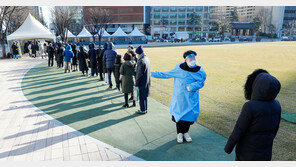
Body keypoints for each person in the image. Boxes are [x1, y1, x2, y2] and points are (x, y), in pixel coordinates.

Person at [224, 69, 281, 161]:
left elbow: (239, 129)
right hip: (266, 151)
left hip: (247, 152)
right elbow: (276, 128)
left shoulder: (250, 106)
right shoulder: (277, 104)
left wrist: (228, 147)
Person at [151, 50, 206, 143]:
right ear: (185, 60)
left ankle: (186, 132)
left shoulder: (199, 70)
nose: (192, 60)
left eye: (194, 58)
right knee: (179, 116)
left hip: (191, 98)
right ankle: (179, 133)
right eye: (190, 58)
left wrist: (192, 86)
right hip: (180, 98)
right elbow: (166, 74)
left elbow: (201, 82)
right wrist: (151, 73)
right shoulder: (179, 68)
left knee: (189, 117)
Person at [135, 46, 151, 115]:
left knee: (141, 96)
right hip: (147, 80)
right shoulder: (146, 59)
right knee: (144, 96)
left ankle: (142, 109)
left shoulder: (141, 61)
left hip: (142, 81)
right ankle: (145, 108)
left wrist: (136, 83)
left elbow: (139, 74)